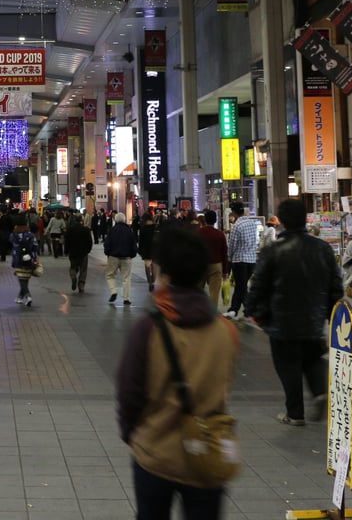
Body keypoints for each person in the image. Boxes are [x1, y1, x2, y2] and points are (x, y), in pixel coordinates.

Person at [115, 223, 240, 520]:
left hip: (156, 453)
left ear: (166, 274)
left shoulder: (150, 328)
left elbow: (129, 390)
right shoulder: (225, 331)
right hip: (208, 452)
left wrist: (133, 434)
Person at [244, 198, 344, 426]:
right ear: (305, 218)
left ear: (281, 221)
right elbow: (335, 284)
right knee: (312, 357)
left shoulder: (273, 250)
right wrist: (333, 313)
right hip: (313, 316)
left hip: (281, 318)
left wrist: (251, 308)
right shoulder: (322, 248)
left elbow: (259, 284)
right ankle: (319, 392)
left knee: (287, 364)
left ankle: (295, 413)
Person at [224, 201, 261, 319]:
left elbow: (232, 245)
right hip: (252, 260)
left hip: (239, 260)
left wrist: (229, 259)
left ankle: (250, 311)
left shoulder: (237, 226)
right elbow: (256, 240)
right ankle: (233, 309)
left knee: (242, 287)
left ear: (234, 212)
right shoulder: (252, 224)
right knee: (241, 286)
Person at [104, 211, 138, 306]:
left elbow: (107, 243)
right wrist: (132, 255)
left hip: (113, 257)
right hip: (126, 257)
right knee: (126, 278)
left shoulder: (112, 230)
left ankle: (113, 291)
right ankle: (126, 298)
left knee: (110, 275)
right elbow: (133, 244)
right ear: (124, 220)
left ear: (116, 220)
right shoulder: (129, 230)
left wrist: (107, 253)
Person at [198, 210, 230, 310]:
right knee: (214, 293)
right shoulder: (220, 234)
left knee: (198, 291)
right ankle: (212, 313)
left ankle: (198, 311)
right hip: (216, 265)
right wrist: (225, 271)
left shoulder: (198, 233)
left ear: (205, 220)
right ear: (215, 220)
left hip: (201, 265)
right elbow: (224, 253)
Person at [10, 219, 42, 306]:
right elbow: (35, 247)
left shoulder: (13, 235)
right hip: (30, 259)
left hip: (18, 259)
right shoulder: (31, 235)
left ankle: (28, 296)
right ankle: (20, 297)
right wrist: (35, 259)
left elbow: (11, 243)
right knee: (25, 279)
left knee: (21, 279)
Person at [64, 212, 93, 293]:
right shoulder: (86, 230)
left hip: (73, 252)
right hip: (83, 253)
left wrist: (66, 251)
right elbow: (90, 242)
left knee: (73, 267)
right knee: (83, 270)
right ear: (81, 220)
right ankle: (81, 286)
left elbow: (67, 241)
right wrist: (88, 250)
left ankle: (73, 277)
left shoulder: (70, 230)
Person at [136, 209, 157, 291]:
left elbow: (140, 241)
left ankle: (150, 283)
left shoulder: (143, 228)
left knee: (147, 266)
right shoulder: (155, 227)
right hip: (155, 250)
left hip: (146, 250)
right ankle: (153, 280)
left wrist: (140, 251)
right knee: (154, 266)